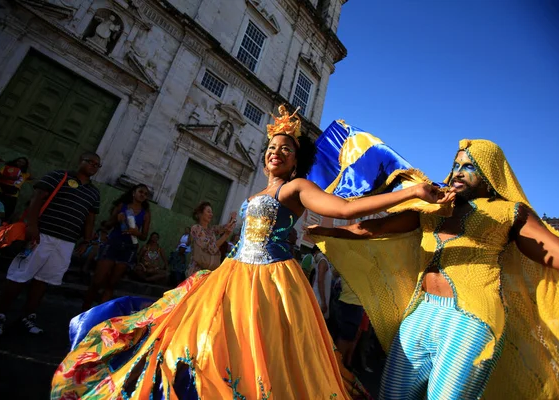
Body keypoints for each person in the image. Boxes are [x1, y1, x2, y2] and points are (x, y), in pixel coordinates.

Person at [50, 105, 451, 399]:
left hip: (272, 282)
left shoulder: (293, 189)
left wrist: (413, 191)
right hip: (230, 274)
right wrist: (218, 240)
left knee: (262, 353)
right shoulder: (257, 192)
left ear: (297, 160)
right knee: (201, 342)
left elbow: (343, 209)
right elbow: (242, 233)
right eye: (272, 147)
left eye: (286, 149)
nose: (276, 152)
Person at [309, 139, 559, 399]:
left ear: (489, 173)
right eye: (456, 165)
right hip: (422, 312)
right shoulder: (432, 208)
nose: (458, 173)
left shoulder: (509, 212)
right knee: (391, 393)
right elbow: (374, 228)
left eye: (469, 167)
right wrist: (324, 231)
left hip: (472, 319)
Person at [0, 152, 101, 336]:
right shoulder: (58, 176)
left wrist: (86, 240)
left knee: (44, 280)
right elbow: (37, 199)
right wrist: (32, 224)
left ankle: (28, 316)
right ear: (80, 161)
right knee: (19, 275)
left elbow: (90, 218)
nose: (93, 166)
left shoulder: (94, 192)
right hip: (41, 235)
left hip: (66, 242)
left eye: (97, 164)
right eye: (90, 162)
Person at [81, 184, 151, 311]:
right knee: (97, 281)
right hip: (113, 243)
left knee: (111, 284)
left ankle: (99, 315)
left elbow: (144, 236)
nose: (143, 195)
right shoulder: (122, 206)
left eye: (146, 194)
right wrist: (116, 219)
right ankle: (84, 311)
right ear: (133, 192)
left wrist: (137, 233)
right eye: (141, 192)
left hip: (128, 248)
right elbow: (107, 225)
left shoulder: (145, 214)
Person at [185, 201, 236, 277]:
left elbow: (224, 227)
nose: (211, 214)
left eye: (211, 212)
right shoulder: (196, 229)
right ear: (200, 213)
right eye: (208, 212)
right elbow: (211, 248)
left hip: (208, 273)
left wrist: (231, 220)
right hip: (196, 273)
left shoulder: (211, 229)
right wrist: (225, 236)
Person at [311, 245, 332, 319]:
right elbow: (320, 280)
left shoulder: (323, 261)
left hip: (319, 295)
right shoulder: (323, 261)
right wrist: (323, 301)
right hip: (319, 297)